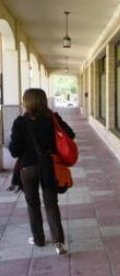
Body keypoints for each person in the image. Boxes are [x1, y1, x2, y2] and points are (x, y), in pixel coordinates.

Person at [8, 88, 75, 255]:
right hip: (49, 166)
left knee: (33, 205)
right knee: (51, 204)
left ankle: (38, 239)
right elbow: (70, 134)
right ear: (44, 101)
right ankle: (58, 243)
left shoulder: (20, 122)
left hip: (27, 168)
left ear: (26, 102)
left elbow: (14, 151)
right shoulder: (52, 118)